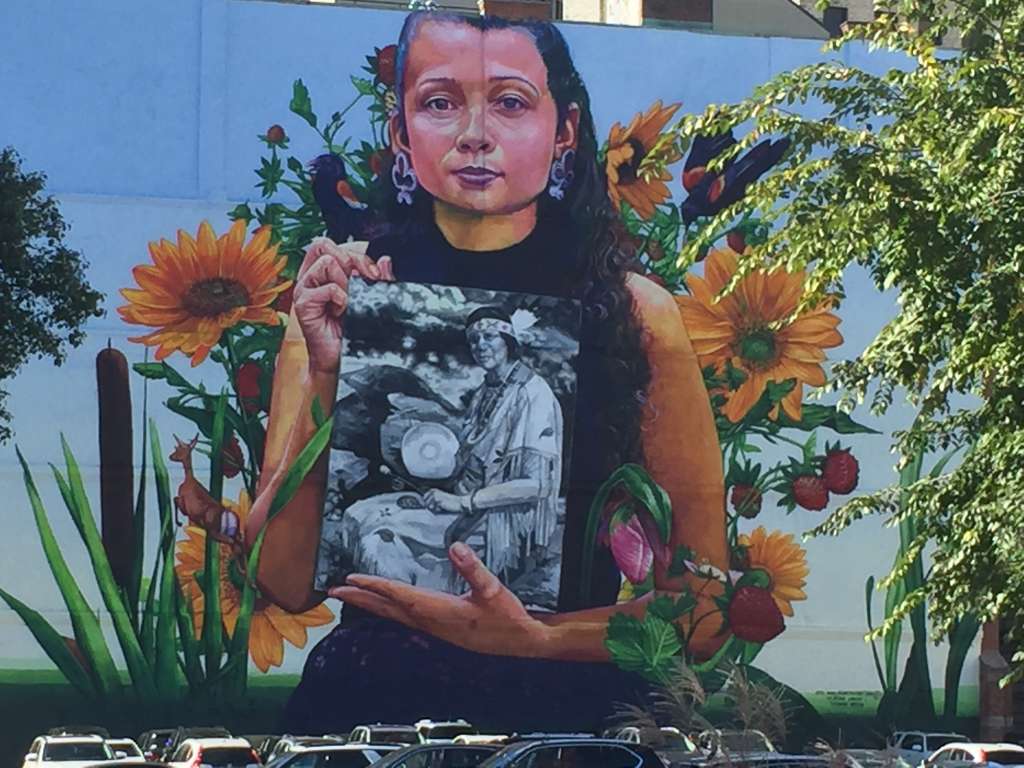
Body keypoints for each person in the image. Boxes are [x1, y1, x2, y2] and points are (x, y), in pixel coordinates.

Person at [245, 10, 728, 728]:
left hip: (568, 727)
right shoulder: (350, 297)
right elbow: (280, 580)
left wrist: (538, 639)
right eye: (440, 103)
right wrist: (326, 377)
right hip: (371, 714)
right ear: (401, 130)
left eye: (510, 102)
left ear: (563, 129)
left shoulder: (637, 314)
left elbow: (702, 608)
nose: (475, 134)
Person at [423, 305, 564, 581]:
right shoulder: (485, 392)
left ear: (508, 340)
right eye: (474, 340)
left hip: (512, 526)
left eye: (489, 336)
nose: (480, 346)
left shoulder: (533, 394)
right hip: (478, 509)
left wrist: (463, 502)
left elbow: (536, 485)